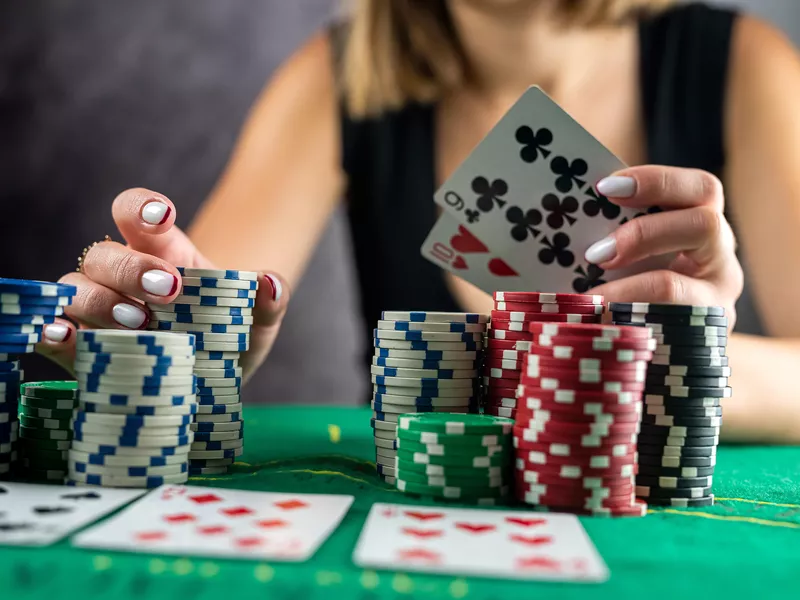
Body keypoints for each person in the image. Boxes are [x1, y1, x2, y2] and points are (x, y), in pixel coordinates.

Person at [37, 0, 800, 443]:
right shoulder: (333, 81)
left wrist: (690, 368)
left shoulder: (741, 65)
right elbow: (201, 327)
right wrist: (166, 342)